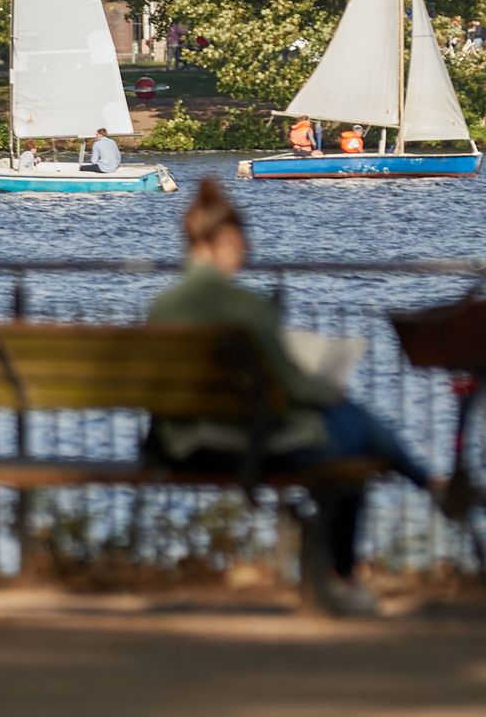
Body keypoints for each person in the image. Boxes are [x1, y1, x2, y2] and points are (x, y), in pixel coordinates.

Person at [147, 179, 440, 617]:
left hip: (182, 445)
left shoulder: (162, 308)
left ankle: (422, 491)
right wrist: (325, 388)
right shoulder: (246, 308)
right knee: (354, 430)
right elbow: (289, 387)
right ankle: (353, 566)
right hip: (249, 447)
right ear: (226, 241)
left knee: (350, 430)